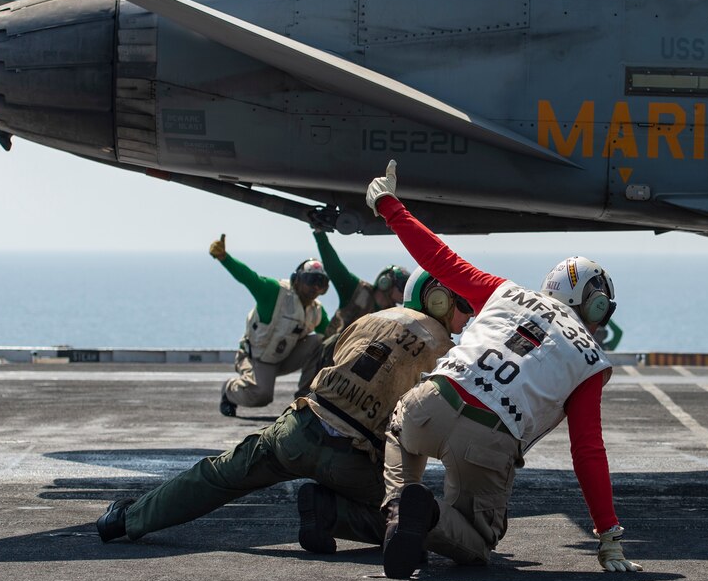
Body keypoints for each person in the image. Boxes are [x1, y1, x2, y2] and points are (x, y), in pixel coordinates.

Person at [363, 160, 643, 578]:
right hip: (489, 439)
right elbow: (587, 452)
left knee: (401, 432)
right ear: (595, 305)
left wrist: (389, 205)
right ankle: (424, 516)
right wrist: (608, 534)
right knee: (475, 542)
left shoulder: (504, 292)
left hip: (435, 400)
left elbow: (439, 260)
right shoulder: (589, 359)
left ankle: (400, 507)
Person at [94, 270, 472, 549]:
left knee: (216, 476)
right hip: (354, 462)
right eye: (464, 304)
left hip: (297, 431)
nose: (469, 314)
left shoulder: (371, 319)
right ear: (437, 299)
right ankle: (330, 513)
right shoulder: (449, 353)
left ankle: (125, 520)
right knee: (411, 523)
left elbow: (331, 357)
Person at [211, 234, 331, 417]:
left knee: (321, 342)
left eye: (321, 284)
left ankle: (304, 400)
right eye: (311, 281)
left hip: (284, 358)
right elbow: (249, 278)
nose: (315, 288)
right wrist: (224, 258)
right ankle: (229, 390)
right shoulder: (275, 293)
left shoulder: (317, 312)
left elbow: (333, 338)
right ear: (297, 280)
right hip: (255, 357)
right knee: (262, 395)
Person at [309, 228, 410, 385]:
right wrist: (320, 235)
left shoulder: (394, 315)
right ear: (386, 283)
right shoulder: (355, 290)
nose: (404, 291)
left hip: (360, 363)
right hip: (333, 353)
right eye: (402, 285)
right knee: (336, 340)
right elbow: (334, 267)